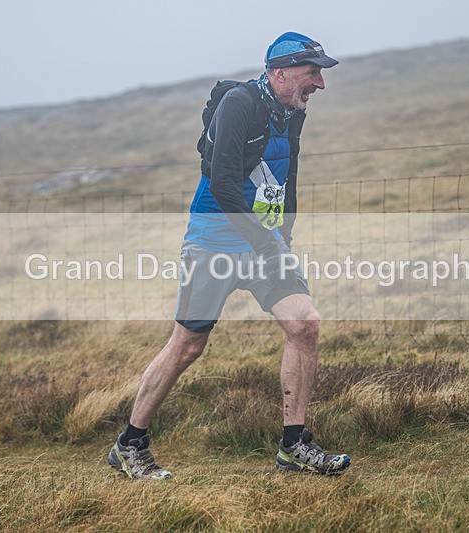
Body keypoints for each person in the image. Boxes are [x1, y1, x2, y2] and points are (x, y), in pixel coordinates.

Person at [108, 31, 350, 479]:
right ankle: (130, 444)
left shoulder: (291, 112)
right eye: (312, 73)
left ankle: (293, 445)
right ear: (280, 73)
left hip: (262, 240)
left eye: (320, 75)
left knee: (305, 324)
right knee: (187, 346)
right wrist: (266, 245)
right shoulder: (239, 105)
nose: (319, 84)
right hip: (212, 240)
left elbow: (287, 173)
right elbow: (222, 185)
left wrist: (284, 238)